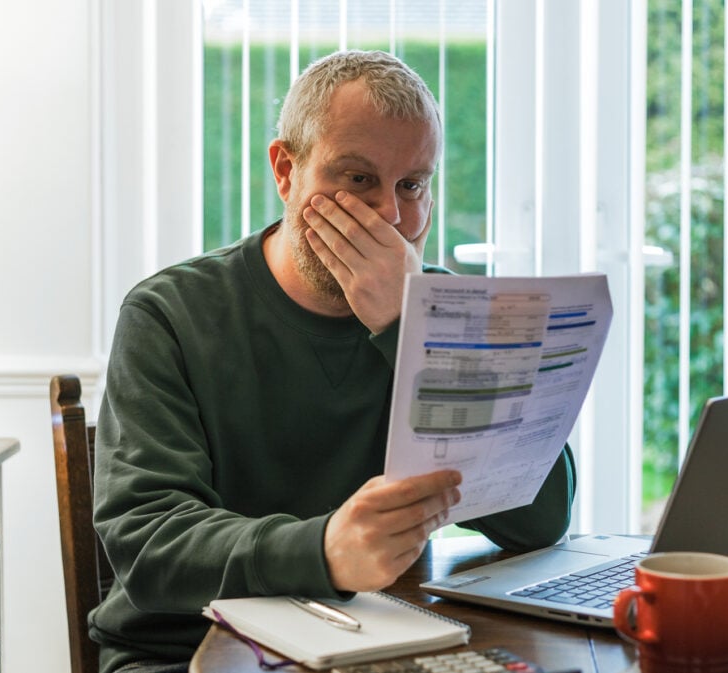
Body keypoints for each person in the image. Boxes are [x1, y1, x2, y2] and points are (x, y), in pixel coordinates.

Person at [90, 49, 576, 673]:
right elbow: (150, 543)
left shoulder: (442, 312)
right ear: (286, 171)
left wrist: (411, 329)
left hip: (376, 642)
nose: (391, 218)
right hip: (184, 652)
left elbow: (542, 518)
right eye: (357, 179)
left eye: (412, 186)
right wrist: (323, 551)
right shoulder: (170, 313)